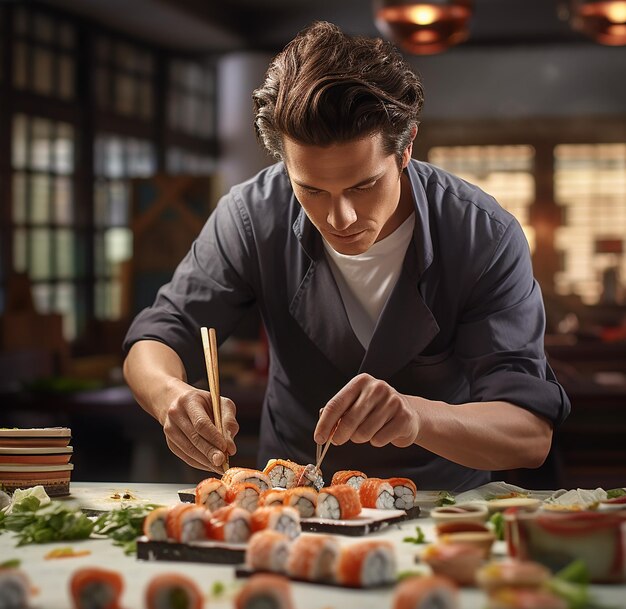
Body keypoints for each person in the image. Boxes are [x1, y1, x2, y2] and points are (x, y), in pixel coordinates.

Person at [122, 21, 570, 491]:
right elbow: (158, 336)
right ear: (284, 166)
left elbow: (529, 433)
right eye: (311, 190)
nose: (341, 217)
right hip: (291, 501)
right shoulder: (251, 215)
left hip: (442, 504)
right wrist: (169, 395)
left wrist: (416, 416)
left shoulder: (483, 235)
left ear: (405, 149)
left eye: (363, 185)